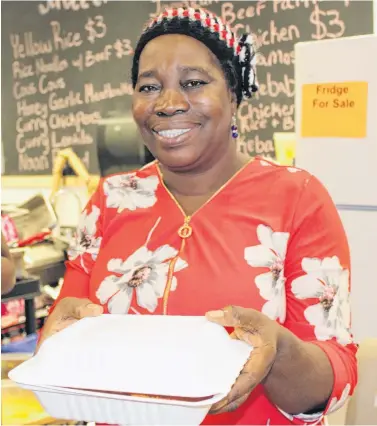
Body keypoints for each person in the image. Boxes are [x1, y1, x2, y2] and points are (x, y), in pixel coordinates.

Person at [38, 7, 357, 425]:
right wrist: (57, 342)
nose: (168, 103)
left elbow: (336, 377)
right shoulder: (111, 200)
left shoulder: (297, 198)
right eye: (149, 86)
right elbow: (60, 340)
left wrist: (279, 351)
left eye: (194, 83)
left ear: (234, 93)